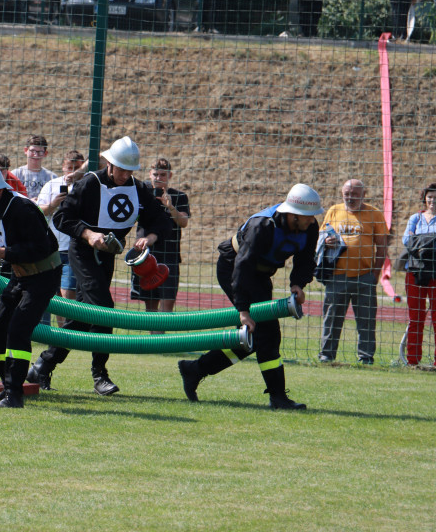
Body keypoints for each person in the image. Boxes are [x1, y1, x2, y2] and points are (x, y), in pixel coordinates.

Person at [28, 136, 171, 396]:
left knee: (83, 320)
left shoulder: (139, 188)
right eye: (121, 168)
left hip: (107, 256)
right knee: (104, 308)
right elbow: (62, 217)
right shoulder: (89, 183)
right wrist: (89, 235)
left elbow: (160, 220)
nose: (125, 175)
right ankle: (100, 375)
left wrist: (147, 238)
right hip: (83, 253)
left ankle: (42, 365)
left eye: (130, 170)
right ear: (109, 163)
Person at [178, 183, 323, 410]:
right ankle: (277, 397)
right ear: (293, 214)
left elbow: (305, 259)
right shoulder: (262, 226)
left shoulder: (310, 227)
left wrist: (298, 284)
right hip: (233, 268)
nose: (312, 220)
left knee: (253, 339)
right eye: (307, 216)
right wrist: (243, 310)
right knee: (267, 334)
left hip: (261, 276)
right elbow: (242, 267)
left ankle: (195, 370)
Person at [0, 163, 61, 409]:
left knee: (17, 331)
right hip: (21, 276)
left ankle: (15, 396)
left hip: (43, 276)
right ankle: (5, 387)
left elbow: (42, 248)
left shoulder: (22, 209)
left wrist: (4, 253)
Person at [318, 179, 389, 364]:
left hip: (365, 277)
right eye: (347, 194)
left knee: (366, 321)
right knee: (331, 319)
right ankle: (327, 355)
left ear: (363, 195)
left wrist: (374, 275)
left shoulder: (374, 214)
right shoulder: (334, 210)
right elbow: (321, 236)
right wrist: (326, 241)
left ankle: (366, 357)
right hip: (337, 277)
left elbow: (382, 247)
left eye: (354, 194)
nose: (350, 197)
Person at [130, 158, 191, 326]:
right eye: (155, 174)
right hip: (145, 254)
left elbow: (183, 222)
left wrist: (170, 206)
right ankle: (153, 343)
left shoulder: (179, 196)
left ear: (169, 175)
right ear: (149, 174)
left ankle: (161, 343)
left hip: (170, 253)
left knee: (167, 301)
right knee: (150, 302)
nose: (158, 178)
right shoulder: (142, 192)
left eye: (163, 175)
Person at [35, 150, 87, 325]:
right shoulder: (51, 185)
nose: (72, 171)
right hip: (51, 249)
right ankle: (59, 334)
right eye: (69, 167)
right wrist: (54, 204)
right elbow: (38, 213)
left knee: (68, 293)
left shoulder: (88, 185)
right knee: (52, 293)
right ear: (63, 167)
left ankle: (66, 333)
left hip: (73, 248)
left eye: (77, 168)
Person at [400, 182, 436, 366]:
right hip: (415, 271)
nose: (432, 201)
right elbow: (407, 239)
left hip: (435, 272)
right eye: (430, 197)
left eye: (435, 198)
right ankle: (413, 360)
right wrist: (432, 242)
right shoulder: (415, 218)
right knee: (416, 317)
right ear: (425, 198)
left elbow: (414, 241)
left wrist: (420, 241)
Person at [11, 135, 55, 200]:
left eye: (40, 152)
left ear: (45, 153)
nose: (36, 155)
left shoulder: (52, 177)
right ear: (26, 150)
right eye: (32, 151)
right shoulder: (15, 175)